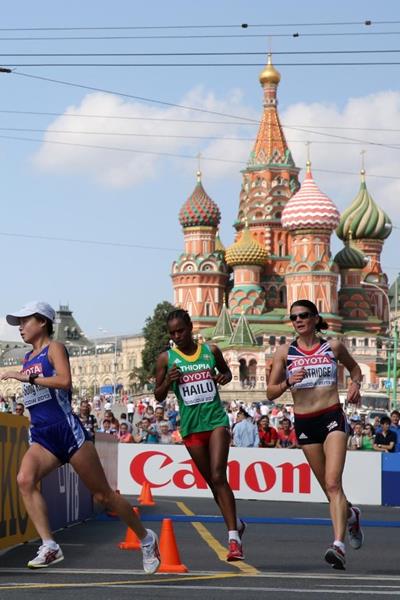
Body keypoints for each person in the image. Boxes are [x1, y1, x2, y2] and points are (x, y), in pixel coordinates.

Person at [0, 301, 160, 573]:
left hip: (68, 431)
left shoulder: (55, 349)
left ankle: (146, 539)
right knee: (25, 480)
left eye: (25, 322)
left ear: (42, 322)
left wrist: (27, 379)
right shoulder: (27, 358)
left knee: (103, 495)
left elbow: (64, 381)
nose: (20, 328)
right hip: (42, 435)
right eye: (18, 324)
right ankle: (49, 545)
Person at [267, 299, 364, 571]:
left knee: (333, 483)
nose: (298, 320)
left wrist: (355, 384)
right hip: (305, 422)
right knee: (327, 488)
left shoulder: (332, 346)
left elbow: (355, 368)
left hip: (332, 416)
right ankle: (352, 515)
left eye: (304, 315)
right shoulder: (284, 352)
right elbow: (270, 392)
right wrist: (288, 381)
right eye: (294, 317)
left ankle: (338, 546)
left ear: (315, 318)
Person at [155, 308, 245, 561]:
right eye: (172, 333)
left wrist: (223, 376)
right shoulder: (166, 358)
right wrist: (167, 381)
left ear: (190, 327)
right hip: (192, 428)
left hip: (216, 421)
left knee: (218, 475)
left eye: (180, 331)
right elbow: (158, 395)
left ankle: (233, 540)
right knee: (213, 483)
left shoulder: (211, 351)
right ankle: (236, 523)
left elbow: (226, 372)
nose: (177, 336)